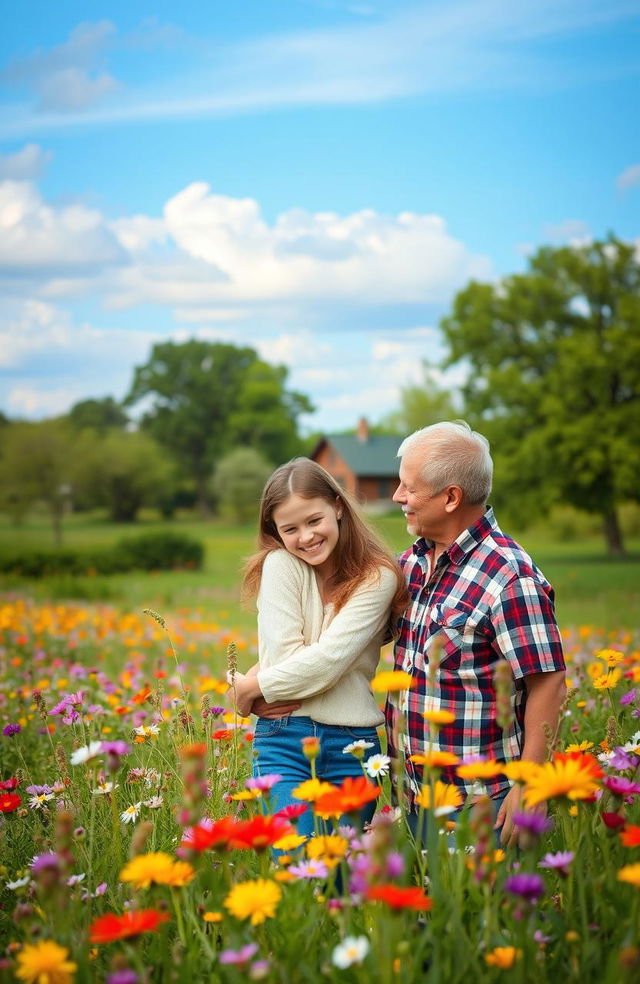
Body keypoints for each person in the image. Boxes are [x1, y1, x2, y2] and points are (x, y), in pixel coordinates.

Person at [385, 421, 566, 847]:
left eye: (409, 487)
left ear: (451, 497)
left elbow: (549, 680)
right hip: (413, 795)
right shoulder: (411, 563)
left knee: (480, 914)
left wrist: (530, 783)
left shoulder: (509, 576)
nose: (397, 496)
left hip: (482, 803)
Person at [232, 458, 409, 838]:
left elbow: (328, 662)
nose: (306, 537)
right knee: (299, 859)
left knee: (341, 875)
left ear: (338, 507)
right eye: (290, 528)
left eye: (314, 521)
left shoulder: (376, 577)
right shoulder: (280, 565)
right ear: (276, 533)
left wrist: (252, 688)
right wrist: (266, 683)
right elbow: (286, 660)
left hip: (353, 747)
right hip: (283, 738)